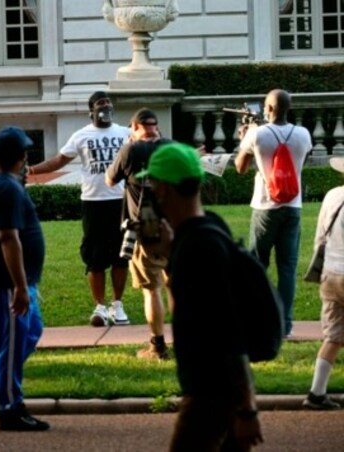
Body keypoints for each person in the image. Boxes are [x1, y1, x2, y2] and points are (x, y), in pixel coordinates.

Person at [136, 142, 262, 451]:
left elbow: (229, 333)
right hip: (220, 391)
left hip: (211, 394)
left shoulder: (198, 249)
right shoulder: (208, 227)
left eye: (152, 183)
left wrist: (246, 409)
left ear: (164, 188)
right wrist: (166, 251)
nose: (149, 191)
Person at [0, 126, 49, 431]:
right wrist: (18, 285)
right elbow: (7, 237)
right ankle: (11, 406)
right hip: (6, 279)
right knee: (14, 341)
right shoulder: (6, 188)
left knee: (31, 330)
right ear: (21, 156)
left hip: (9, 277)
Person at [29, 91, 131, 327]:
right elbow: (58, 161)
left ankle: (118, 305)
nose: (105, 108)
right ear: (91, 111)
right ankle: (100, 306)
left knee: (121, 255)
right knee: (95, 257)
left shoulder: (125, 133)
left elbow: (151, 148)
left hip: (121, 201)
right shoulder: (81, 135)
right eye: (100, 105)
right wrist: (31, 170)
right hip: (94, 201)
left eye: (108, 104)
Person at [235, 89, 312, 337]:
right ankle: (286, 325)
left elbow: (241, 168)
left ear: (268, 108)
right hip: (293, 207)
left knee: (258, 265)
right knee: (287, 268)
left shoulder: (257, 134)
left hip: (265, 207)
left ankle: (259, 321)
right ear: (289, 108)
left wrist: (243, 140)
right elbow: (302, 161)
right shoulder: (303, 134)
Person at [106, 108, 173, 360]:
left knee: (152, 289)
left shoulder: (130, 151)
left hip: (146, 227)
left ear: (134, 127)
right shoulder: (171, 147)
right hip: (175, 227)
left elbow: (110, 180)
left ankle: (157, 346)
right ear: (155, 126)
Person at [303, 157, 344, 410]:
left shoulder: (332, 196)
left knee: (333, 336)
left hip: (330, 273)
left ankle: (316, 393)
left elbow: (320, 236)